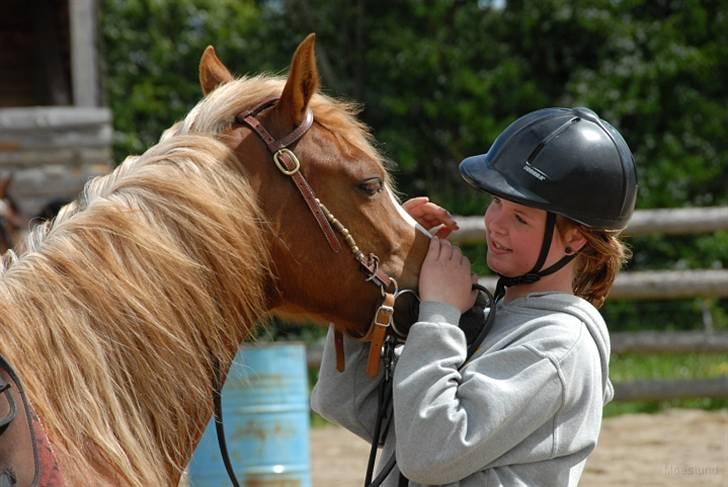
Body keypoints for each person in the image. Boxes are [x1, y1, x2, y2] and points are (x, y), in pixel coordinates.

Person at [311, 106, 638, 486]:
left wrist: (438, 315)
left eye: (521, 218)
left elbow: (428, 456)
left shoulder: (558, 346)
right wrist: (382, 272)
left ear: (575, 238)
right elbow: (350, 404)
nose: (495, 223)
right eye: (497, 202)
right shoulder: (490, 319)